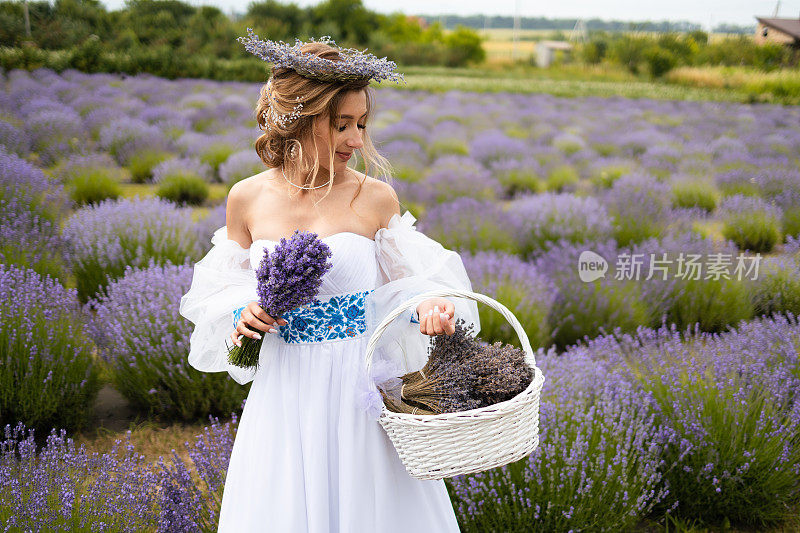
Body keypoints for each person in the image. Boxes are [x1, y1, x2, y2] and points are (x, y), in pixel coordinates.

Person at [179, 30, 481, 532]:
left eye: (361, 124)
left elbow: (411, 282)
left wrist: (429, 306)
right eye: (342, 125)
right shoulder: (246, 199)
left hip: (361, 385)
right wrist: (243, 312)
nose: (356, 141)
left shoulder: (376, 198)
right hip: (286, 386)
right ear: (299, 118)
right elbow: (220, 288)